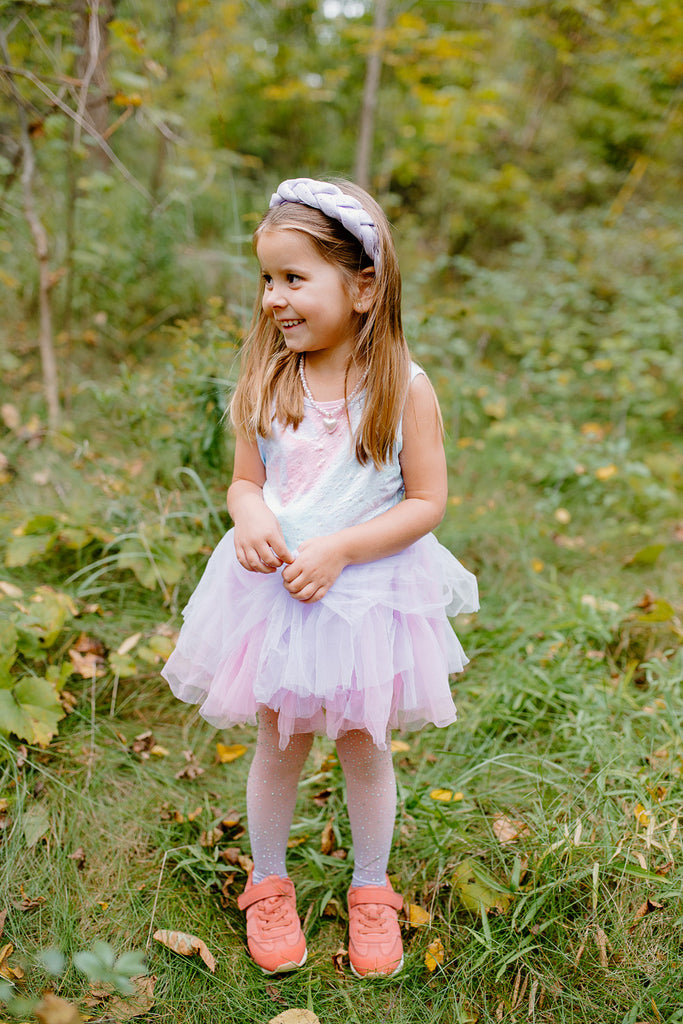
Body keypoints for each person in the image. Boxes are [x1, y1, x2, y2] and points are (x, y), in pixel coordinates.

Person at [162, 177, 479, 978]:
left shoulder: (402, 387)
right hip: (278, 597)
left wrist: (341, 550)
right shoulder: (268, 379)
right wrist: (248, 514)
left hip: (364, 598)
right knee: (279, 742)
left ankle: (371, 888)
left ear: (362, 287)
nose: (273, 297)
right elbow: (245, 482)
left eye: (294, 278)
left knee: (366, 746)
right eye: (267, 278)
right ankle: (268, 882)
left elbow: (427, 501)